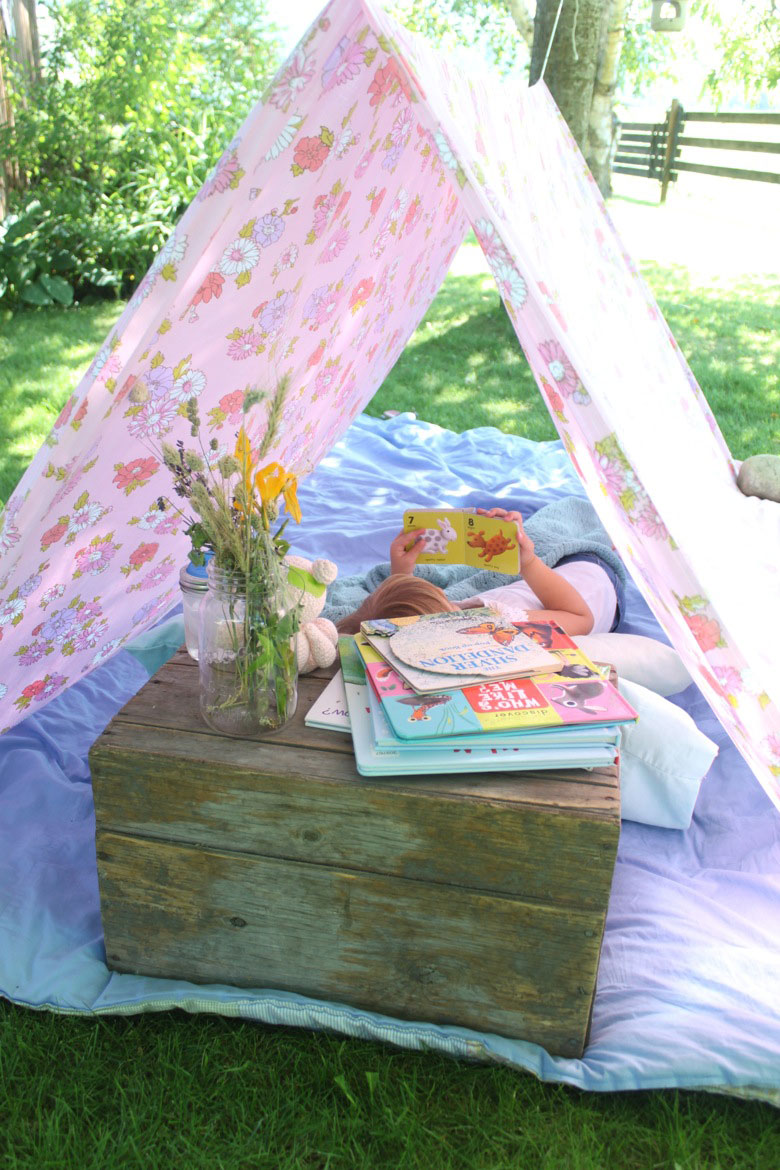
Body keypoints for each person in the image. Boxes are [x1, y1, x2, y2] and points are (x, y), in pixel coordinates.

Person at [336, 507, 620, 636]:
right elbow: (580, 617)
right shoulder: (502, 624)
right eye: (443, 598)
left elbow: (405, 618)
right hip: (593, 574)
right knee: (593, 520)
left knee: (539, 530)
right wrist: (528, 564)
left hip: (557, 574)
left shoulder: (441, 625)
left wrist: (401, 572)